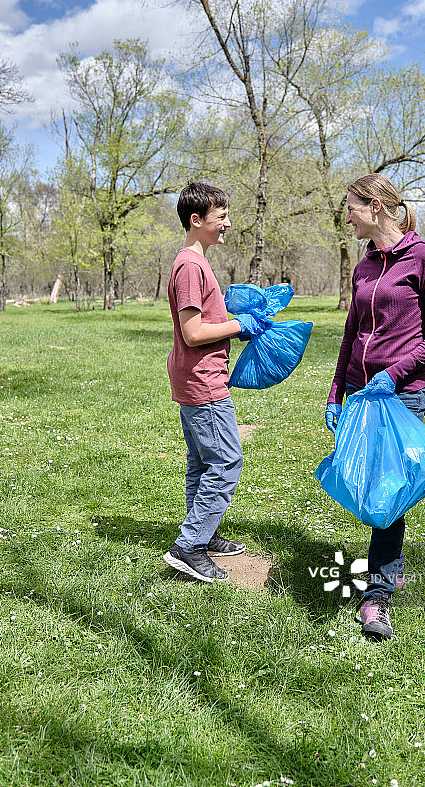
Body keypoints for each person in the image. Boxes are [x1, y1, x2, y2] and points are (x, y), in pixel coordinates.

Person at [325, 173, 425, 639]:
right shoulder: (363, 266)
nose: (347, 216)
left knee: (389, 494)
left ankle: (376, 597)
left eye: (352, 207)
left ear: (376, 206)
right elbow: (350, 333)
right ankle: (389, 564)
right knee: (364, 487)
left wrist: (393, 374)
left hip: (400, 396)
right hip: (360, 396)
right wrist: (336, 392)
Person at [163, 182, 268, 583]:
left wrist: (236, 319)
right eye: (221, 217)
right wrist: (240, 324)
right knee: (225, 462)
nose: (227, 224)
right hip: (202, 378)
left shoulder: (197, 261)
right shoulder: (190, 265)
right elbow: (192, 332)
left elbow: (204, 321)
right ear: (196, 220)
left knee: (201, 462)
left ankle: (201, 536)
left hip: (195, 375)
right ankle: (188, 546)